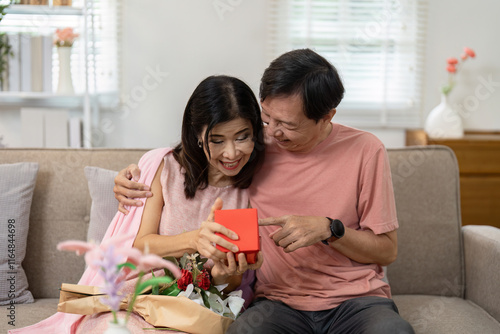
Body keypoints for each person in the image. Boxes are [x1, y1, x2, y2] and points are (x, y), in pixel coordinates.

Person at [114, 49, 415, 333]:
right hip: (278, 303)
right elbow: (195, 155)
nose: (271, 132)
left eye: (287, 124)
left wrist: (329, 229)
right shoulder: (250, 149)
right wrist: (132, 174)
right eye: (267, 118)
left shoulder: (366, 150)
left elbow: (387, 250)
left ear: (327, 116)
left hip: (357, 301)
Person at [9, 75, 264, 334]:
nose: (231, 153)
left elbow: (229, 285)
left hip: (193, 313)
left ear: (256, 132)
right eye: (217, 140)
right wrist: (195, 240)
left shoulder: (258, 186)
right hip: (131, 300)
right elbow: (139, 246)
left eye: (242, 137)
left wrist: (225, 273)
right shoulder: (165, 168)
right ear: (197, 134)